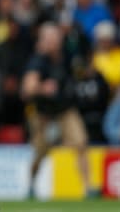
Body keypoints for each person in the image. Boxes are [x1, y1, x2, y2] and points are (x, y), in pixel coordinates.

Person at [21, 22, 92, 197]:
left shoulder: (68, 55)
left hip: (65, 110)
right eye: (49, 39)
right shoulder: (38, 61)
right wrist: (42, 88)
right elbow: (27, 90)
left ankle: (89, 188)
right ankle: (31, 185)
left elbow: (83, 62)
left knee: (81, 143)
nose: (53, 42)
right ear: (43, 41)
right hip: (44, 115)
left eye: (55, 38)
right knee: (41, 152)